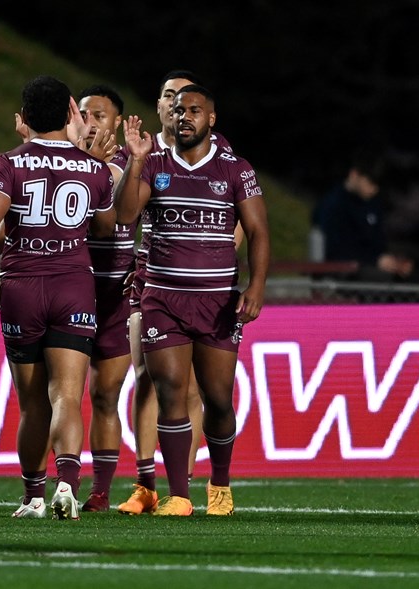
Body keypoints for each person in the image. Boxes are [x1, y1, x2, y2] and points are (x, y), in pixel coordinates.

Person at [0, 75, 116, 520]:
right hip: (72, 286)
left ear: (25, 117)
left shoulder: (8, 164)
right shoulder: (94, 168)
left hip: (23, 287)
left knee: (31, 402)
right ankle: (66, 485)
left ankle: (32, 497)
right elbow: (106, 227)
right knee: (67, 394)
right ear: (71, 114)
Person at [114, 84, 270, 516]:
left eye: (194, 110)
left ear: (211, 118)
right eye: (179, 110)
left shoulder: (235, 168)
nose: (184, 117)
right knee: (170, 392)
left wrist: (256, 287)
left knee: (219, 400)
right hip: (163, 298)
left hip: (217, 302)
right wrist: (137, 161)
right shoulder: (154, 163)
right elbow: (126, 214)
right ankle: (179, 495)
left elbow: (257, 230)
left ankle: (219, 484)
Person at [74, 84, 135, 512]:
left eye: (99, 115)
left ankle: (99, 491)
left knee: (104, 395)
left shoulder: (137, 166)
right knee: (56, 394)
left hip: (115, 295)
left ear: (116, 122)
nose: (90, 122)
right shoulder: (62, 162)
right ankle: (42, 489)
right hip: (69, 291)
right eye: (84, 114)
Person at [311, 150, 413, 281]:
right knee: (381, 279)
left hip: (369, 267)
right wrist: (375, 260)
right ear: (354, 175)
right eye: (371, 182)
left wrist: (394, 261)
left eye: (377, 185)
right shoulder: (332, 205)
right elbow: (335, 249)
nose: (374, 189)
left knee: (414, 277)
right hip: (344, 270)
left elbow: (378, 243)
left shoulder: (372, 204)